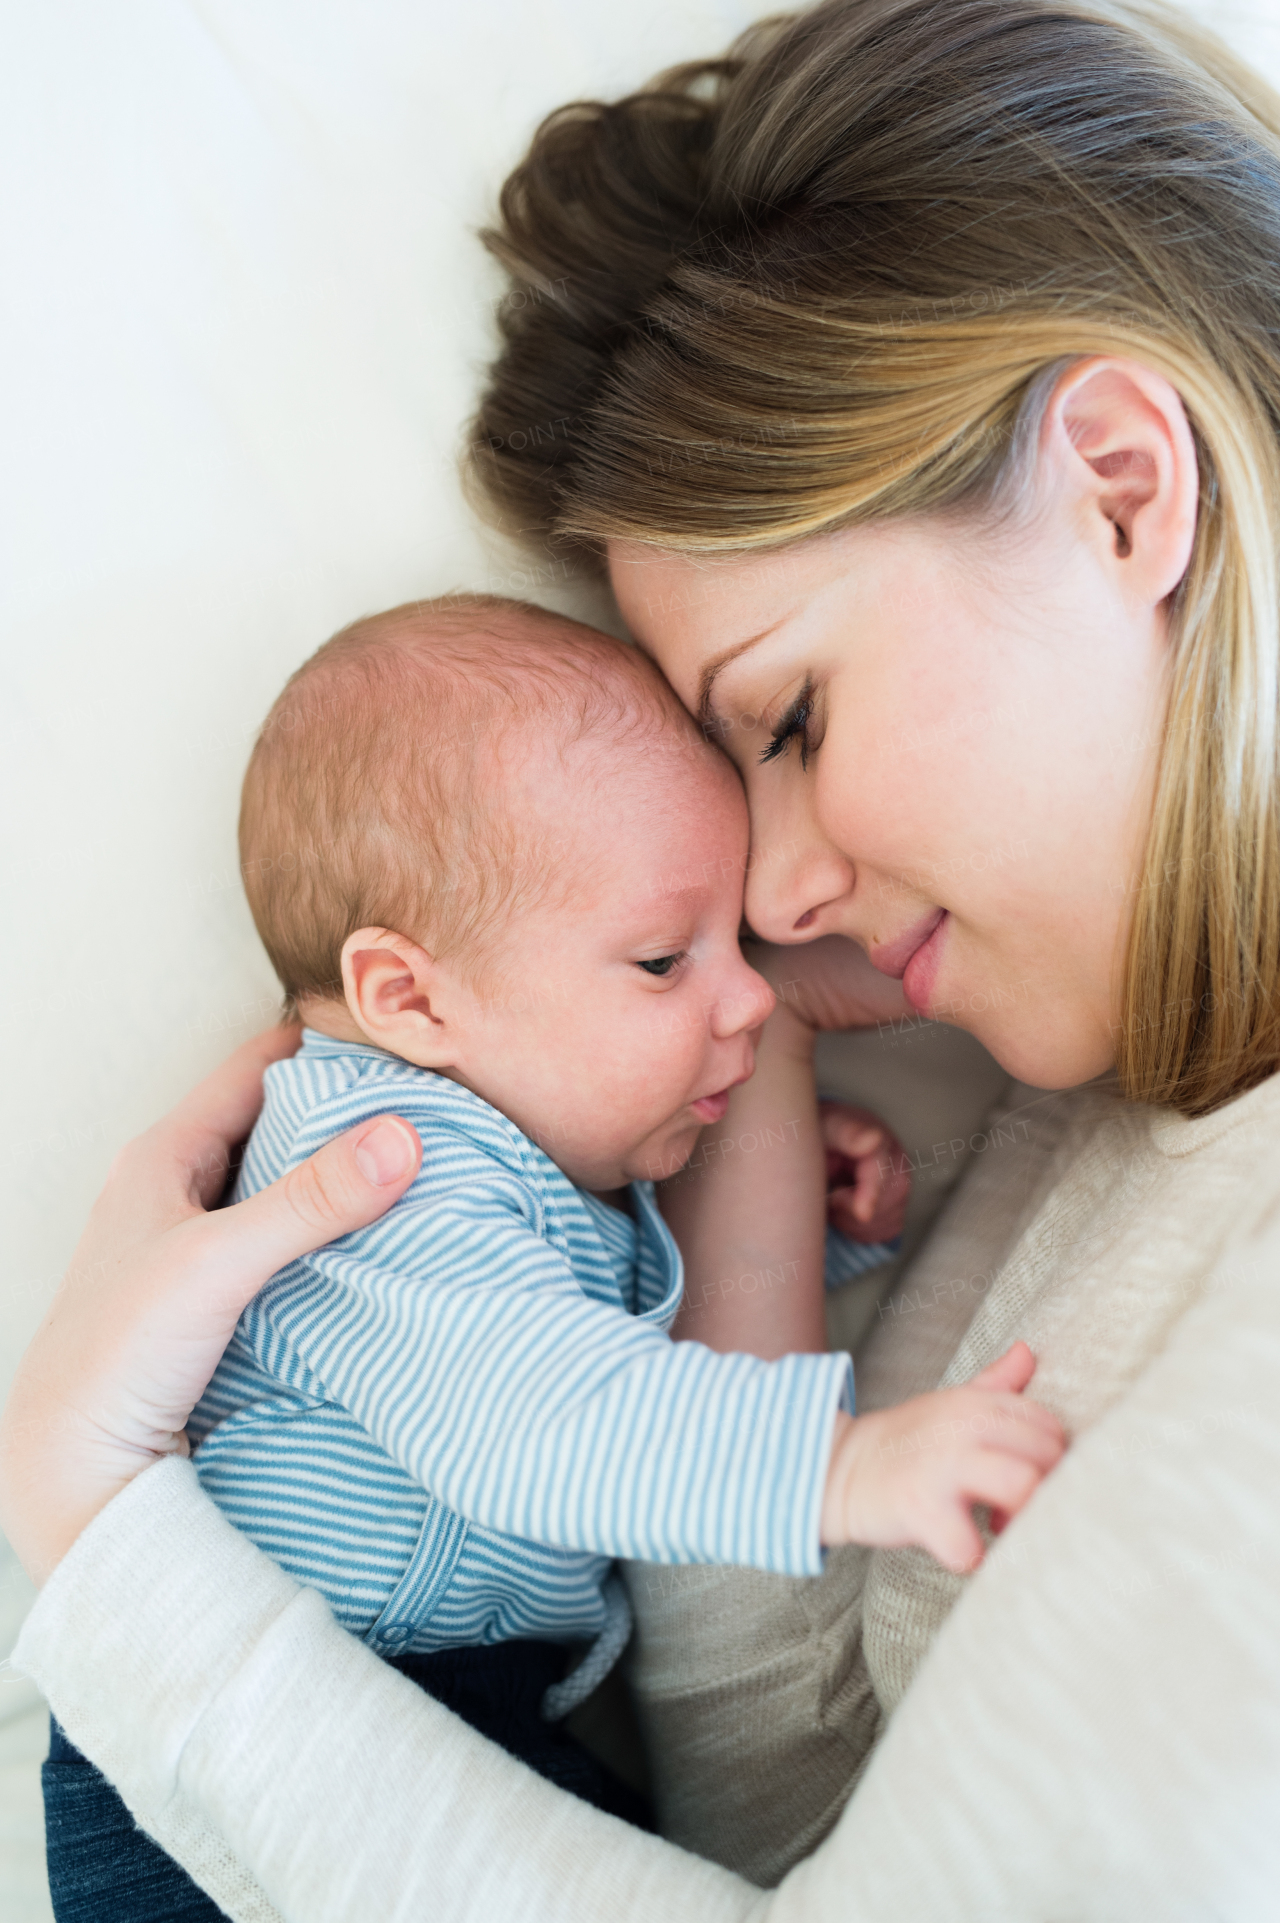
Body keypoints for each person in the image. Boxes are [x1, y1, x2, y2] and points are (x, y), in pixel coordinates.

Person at [5, 0, 1280, 1914]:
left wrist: (109, 1546)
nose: (772, 896)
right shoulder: (1093, 1099)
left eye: (793, 721)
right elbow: (765, 1810)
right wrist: (720, 1041)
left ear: (1118, 485)